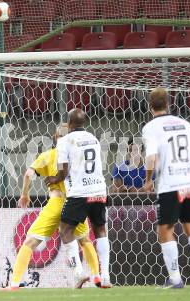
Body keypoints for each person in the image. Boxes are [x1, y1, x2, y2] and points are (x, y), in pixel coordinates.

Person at [4, 124, 101, 290]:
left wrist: (24, 194)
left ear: (55, 138)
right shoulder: (78, 157)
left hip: (56, 203)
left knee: (30, 242)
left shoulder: (48, 156)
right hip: (74, 202)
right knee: (84, 240)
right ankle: (97, 276)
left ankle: (14, 283)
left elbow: (28, 174)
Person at [142, 88, 190, 289]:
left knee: (165, 229)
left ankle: (175, 278)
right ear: (168, 103)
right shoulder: (184, 123)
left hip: (170, 184)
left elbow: (151, 157)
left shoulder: (151, 127)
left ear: (150, 106)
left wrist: (148, 179)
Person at [45, 109, 111, 288]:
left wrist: (53, 179)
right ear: (84, 122)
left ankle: (78, 273)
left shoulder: (64, 141)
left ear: (70, 123)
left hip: (80, 193)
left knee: (65, 230)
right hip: (98, 190)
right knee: (100, 231)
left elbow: (63, 171)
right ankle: (105, 276)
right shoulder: (94, 138)